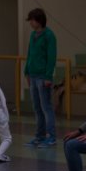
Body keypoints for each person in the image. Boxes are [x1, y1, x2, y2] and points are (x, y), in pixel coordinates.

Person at [24, 8, 58, 148]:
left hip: (43, 77)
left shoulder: (49, 35)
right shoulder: (33, 35)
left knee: (46, 107)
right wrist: (26, 72)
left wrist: (48, 76)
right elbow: (30, 54)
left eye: (32, 20)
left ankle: (51, 137)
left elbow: (51, 57)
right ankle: (39, 136)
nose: (30, 23)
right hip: (32, 75)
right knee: (37, 108)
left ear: (39, 20)